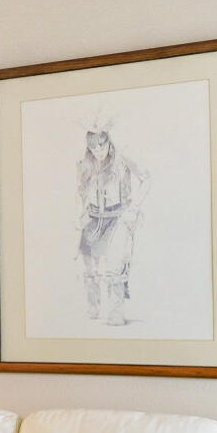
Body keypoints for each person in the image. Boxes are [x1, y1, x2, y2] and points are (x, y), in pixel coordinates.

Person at [75, 121, 147, 325]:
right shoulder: (84, 164)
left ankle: (116, 311)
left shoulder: (122, 159)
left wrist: (134, 209)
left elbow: (147, 178)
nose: (98, 151)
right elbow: (78, 191)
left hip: (117, 218)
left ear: (109, 142)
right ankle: (93, 307)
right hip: (92, 218)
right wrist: (78, 214)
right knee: (90, 268)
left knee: (115, 267)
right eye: (93, 147)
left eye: (101, 145)